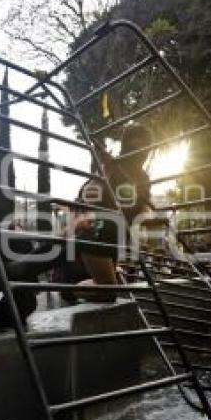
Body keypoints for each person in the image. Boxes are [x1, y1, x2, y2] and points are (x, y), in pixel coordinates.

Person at [61, 124, 153, 302]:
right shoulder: (113, 167)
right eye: (135, 143)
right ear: (126, 144)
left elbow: (140, 210)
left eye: (145, 145)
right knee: (108, 292)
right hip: (98, 234)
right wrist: (107, 169)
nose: (140, 149)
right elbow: (87, 196)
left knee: (110, 290)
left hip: (115, 239)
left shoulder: (143, 178)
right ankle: (69, 290)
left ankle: (73, 287)